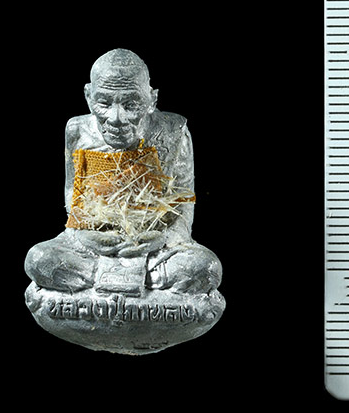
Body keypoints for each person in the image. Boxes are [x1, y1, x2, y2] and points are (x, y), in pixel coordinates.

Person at [25, 48, 222, 295]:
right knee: (39, 259)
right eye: (104, 103)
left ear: (152, 100)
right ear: (88, 96)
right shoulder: (77, 130)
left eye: (131, 104)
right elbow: (73, 197)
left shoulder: (173, 131)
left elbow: (183, 204)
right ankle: (117, 279)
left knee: (206, 268)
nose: (116, 118)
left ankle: (110, 282)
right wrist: (83, 236)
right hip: (92, 247)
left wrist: (162, 239)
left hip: (156, 249)